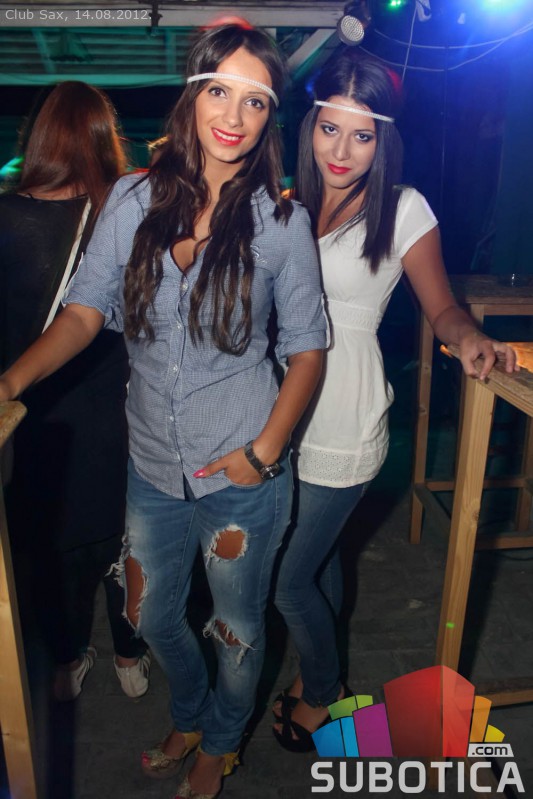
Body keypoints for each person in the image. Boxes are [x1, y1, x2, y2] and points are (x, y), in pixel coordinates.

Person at [0, 24, 327, 799]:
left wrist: (264, 451)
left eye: (254, 101)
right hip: (151, 465)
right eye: (218, 91)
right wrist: (7, 381)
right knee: (150, 617)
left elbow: (308, 349)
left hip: (241, 469)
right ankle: (190, 711)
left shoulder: (282, 226)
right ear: (191, 97)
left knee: (237, 628)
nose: (233, 116)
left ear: (268, 118)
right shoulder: (131, 199)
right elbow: (84, 312)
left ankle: (219, 741)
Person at [271, 49, 517, 751]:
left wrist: (468, 336)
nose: (341, 150)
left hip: (344, 414)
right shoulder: (284, 205)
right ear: (310, 125)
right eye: (330, 129)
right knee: (318, 561)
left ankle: (322, 687)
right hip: (277, 410)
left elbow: (442, 308)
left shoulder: (404, 209)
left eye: (361, 135)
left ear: (383, 141)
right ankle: (317, 672)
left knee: (288, 579)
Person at [0, 80, 151, 701]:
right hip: (115, 408)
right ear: (101, 139)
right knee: (128, 538)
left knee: (48, 549)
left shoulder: (6, 218)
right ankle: (130, 653)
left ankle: (68, 656)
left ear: (37, 138)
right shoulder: (124, 213)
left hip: (34, 412)